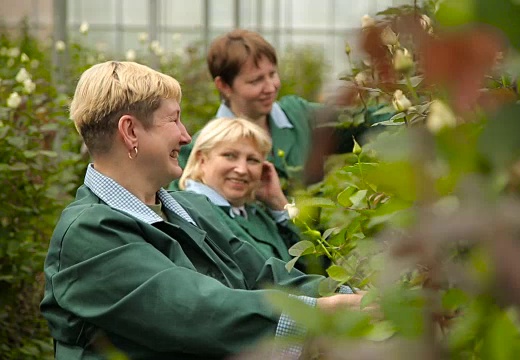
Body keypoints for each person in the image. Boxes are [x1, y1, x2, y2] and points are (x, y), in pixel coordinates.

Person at [40, 61, 365, 359]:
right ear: (130, 131)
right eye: (174, 119)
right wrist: (322, 312)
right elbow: (194, 311)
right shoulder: (88, 233)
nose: (185, 136)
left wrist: (354, 297)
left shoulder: (188, 208)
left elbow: (264, 274)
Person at [168, 29, 388, 191]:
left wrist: (412, 115)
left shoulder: (300, 116)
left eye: (272, 74)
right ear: (224, 86)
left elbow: (365, 122)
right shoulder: (204, 148)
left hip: (316, 247)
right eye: (255, 81)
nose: (270, 87)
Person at [178, 117, 300, 265]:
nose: (242, 170)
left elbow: (315, 262)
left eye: (253, 160)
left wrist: (278, 203)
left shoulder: (255, 213)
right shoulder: (192, 212)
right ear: (202, 160)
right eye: (230, 156)